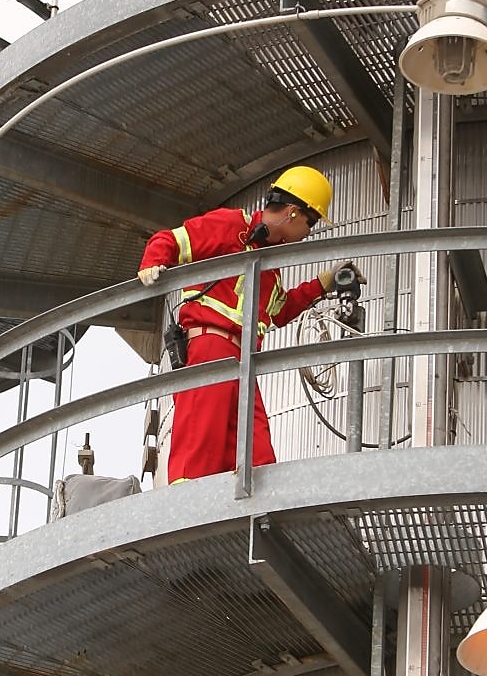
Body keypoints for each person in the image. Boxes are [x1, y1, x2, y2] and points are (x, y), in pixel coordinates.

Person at [136, 165, 363, 483]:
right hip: (210, 346)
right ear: (293, 213)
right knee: (200, 445)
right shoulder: (231, 225)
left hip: (244, 362)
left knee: (257, 455)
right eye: (310, 222)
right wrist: (153, 261)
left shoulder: (269, 268)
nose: (309, 232)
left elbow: (280, 311)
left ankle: (255, 517)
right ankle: (188, 513)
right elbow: (170, 240)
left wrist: (325, 283)